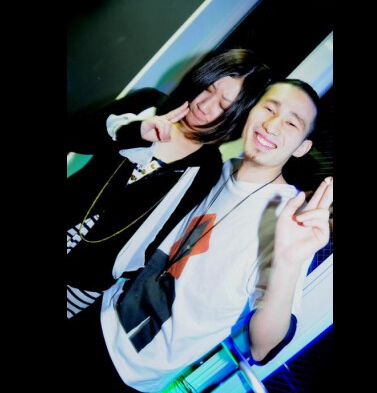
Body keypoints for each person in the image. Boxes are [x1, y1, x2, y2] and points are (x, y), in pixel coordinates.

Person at [66, 78, 333, 392]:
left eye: (291, 123)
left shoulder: (288, 220)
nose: (272, 125)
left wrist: (288, 263)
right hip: (99, 313)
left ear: (302, 147)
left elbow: (263, 348)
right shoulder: (215, 169)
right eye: (269, 109)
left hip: (131, 374)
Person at [66, 49, 271, 318]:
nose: (205, 105)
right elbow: (75, 136)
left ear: (237, 116)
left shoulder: (207, 170)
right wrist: (134, 130)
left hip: (84, 280)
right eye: (208, 88)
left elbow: (162, 238)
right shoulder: (149, 104)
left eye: (223, 105)